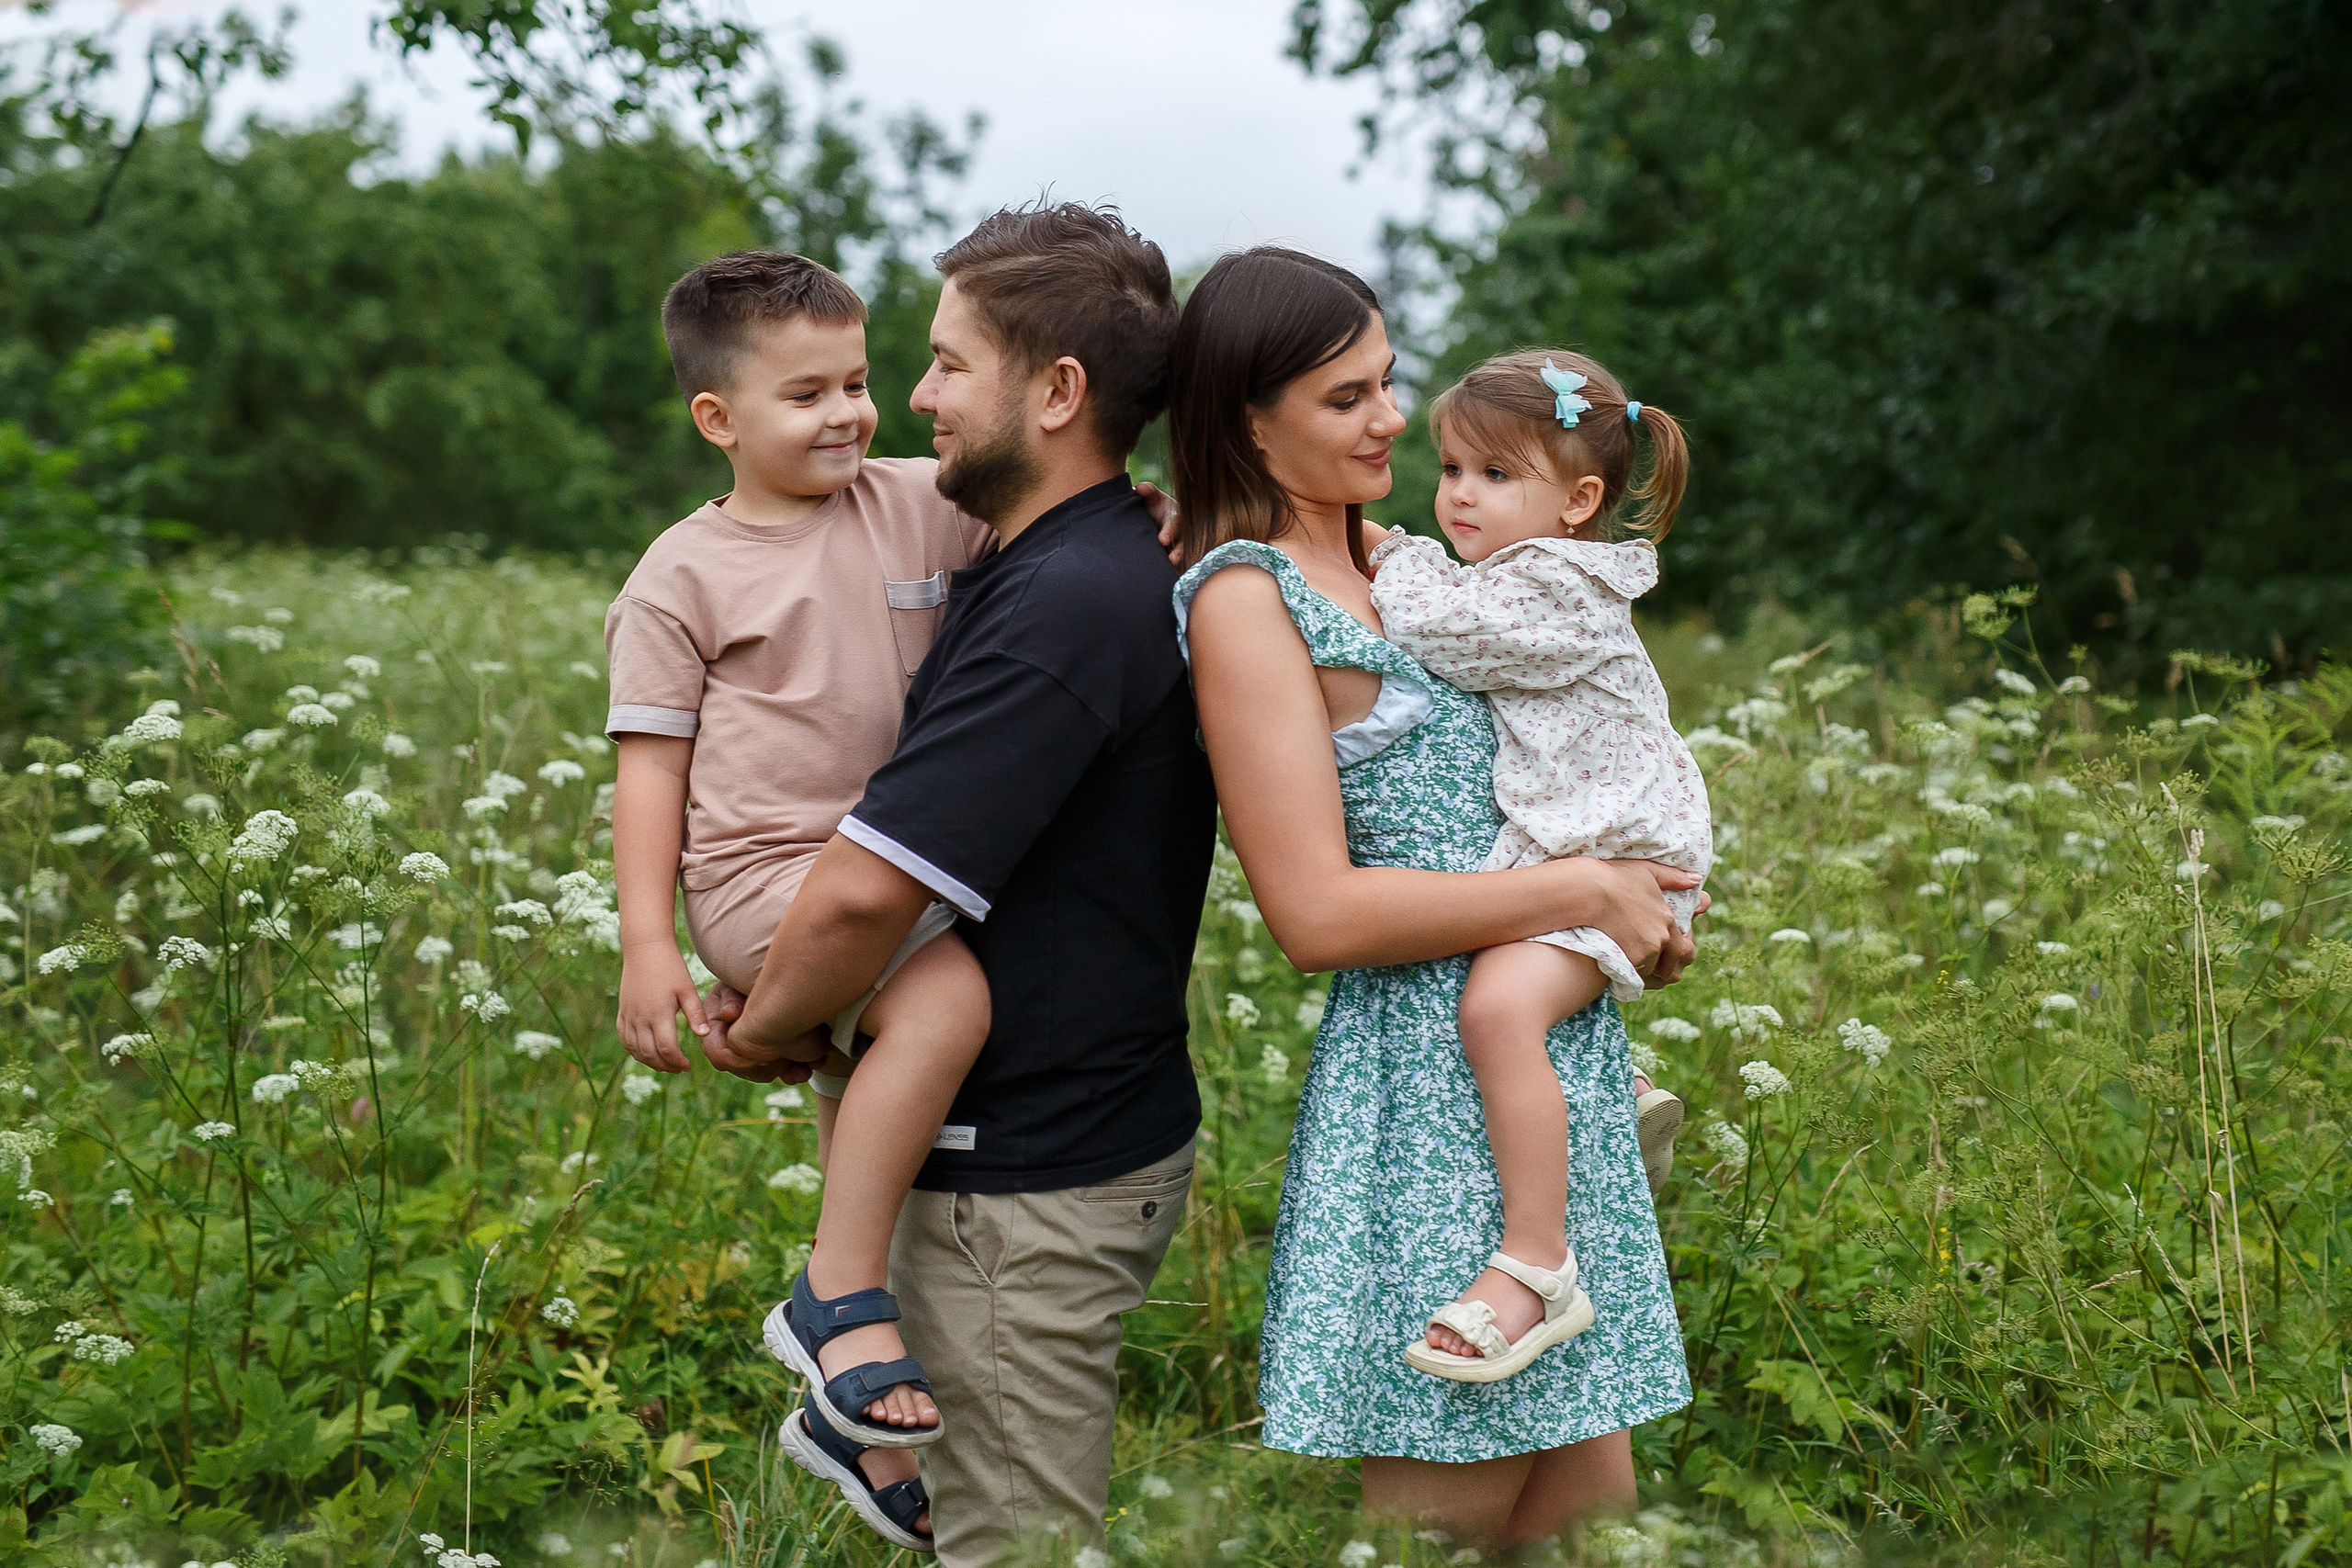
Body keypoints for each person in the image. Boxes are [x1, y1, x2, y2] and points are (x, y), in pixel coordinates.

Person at [696, 202, 1213, 1567]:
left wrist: (761, 1025)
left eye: (946, 362)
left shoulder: (1066, 598)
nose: (912, 397)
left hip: (1025, 1181)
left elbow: (869, 898)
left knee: (1015, 1549)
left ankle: (837, 1328)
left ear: (1057, 393)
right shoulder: (1050, 560)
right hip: (1025, 1143)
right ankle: (856, 1414)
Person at [1167, 246, 1697, 1545]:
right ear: (1249, 418)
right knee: (1438, 1519)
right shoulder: (1249, 597)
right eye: (1347, 397)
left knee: (1589, 1527)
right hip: (1427, 1092)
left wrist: (1618, 903)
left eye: (1388, 381)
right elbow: (1316, 916)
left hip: (1549, 1065)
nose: (1394, 419)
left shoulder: (1426, 559)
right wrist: (1584, 885)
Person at [605, 249, 998, 1550]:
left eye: (860, 382)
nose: (846, 413)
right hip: (766, 874)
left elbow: (1048, 527)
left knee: (860, 1059)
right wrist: (649, 942)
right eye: (806, 394)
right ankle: (837, 1295)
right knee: (941, 1002)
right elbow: (651, 769)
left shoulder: (915, 503)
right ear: (718, 417)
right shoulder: (683, 574)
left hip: (893, 859)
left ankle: (863, 1423)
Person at [1367, 349, 1713, 1384]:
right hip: (1583, 842)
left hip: (1618, 857)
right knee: (1514, 990)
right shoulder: (1536, 572)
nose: (1460, 494)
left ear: (1579, 501)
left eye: (1495, 475)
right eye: (1452, 469)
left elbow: (1437, 633)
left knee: (1495, 1012)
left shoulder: (1555, 588)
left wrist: (1389, 554)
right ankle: (1620, 1085)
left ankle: (1535, 1264)